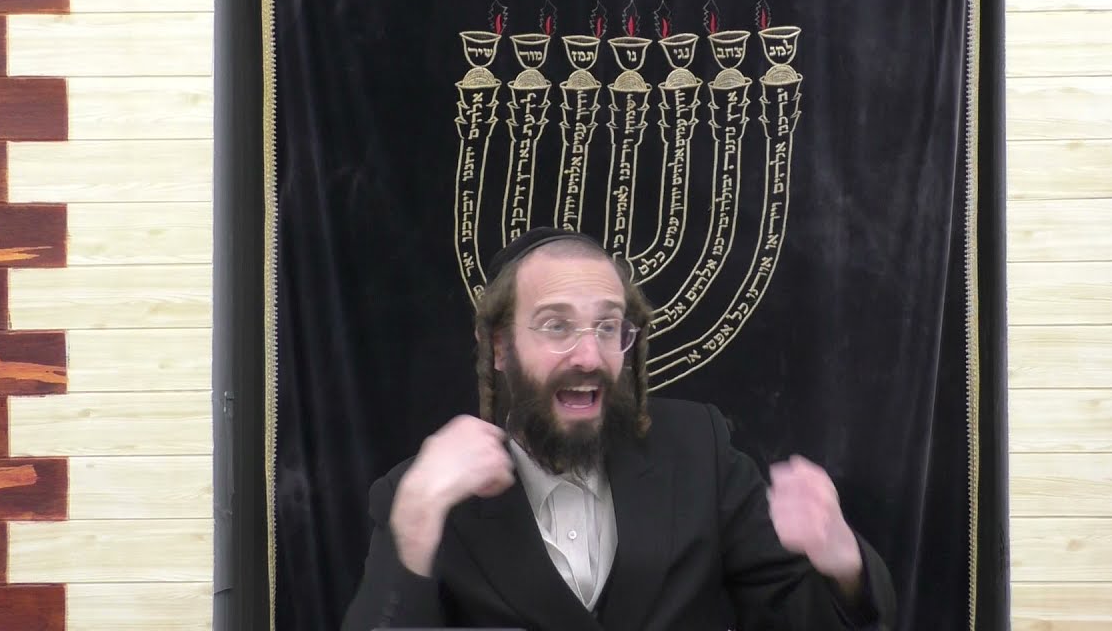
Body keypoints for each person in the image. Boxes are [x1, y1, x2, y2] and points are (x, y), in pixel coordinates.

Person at [341, 227, 895, 630]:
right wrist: (415, 520)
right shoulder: (422, 496)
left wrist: (843, 562)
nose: (590, 355)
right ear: (500, 347)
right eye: (556, 325)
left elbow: (802, 619)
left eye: (607, 327)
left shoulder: (699, 450)